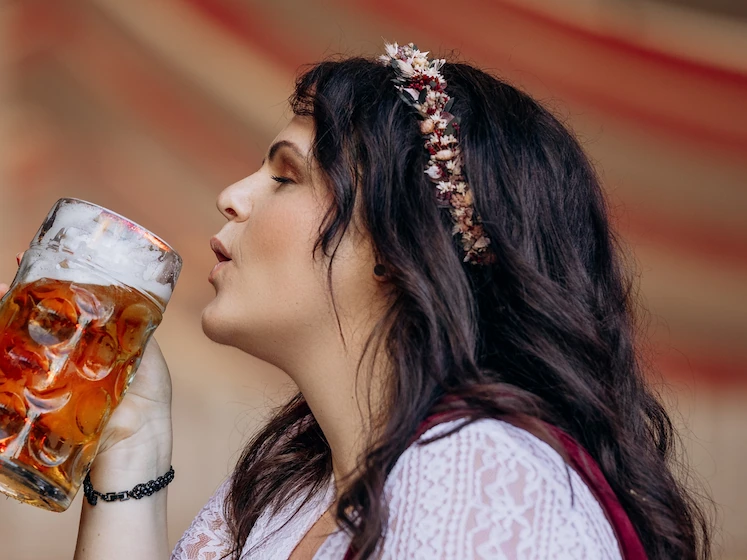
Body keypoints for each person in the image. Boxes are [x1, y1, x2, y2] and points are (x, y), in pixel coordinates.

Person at [1, 43, 711, 559]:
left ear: (401, 245)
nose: (233, 196)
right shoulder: (291, 496)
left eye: (284, 175)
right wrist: (132, 448)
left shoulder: (478, 474)